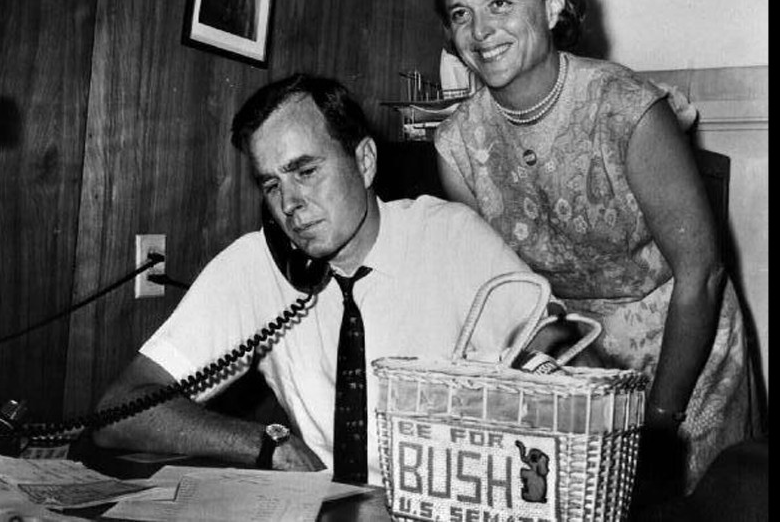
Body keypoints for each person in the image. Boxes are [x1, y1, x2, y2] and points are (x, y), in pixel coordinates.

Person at [428, 0, 751, 505]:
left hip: (685, 358)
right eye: (460, 13)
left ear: (552, 7)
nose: (478, 31)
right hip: (573, 361)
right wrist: (583, 393)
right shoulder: (457, 146)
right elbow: (510, 294)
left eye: (499, 3)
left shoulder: (628, 111)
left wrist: (656, 423)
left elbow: (700, 275)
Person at [93, 74, 541, 486]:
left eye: (306, 172)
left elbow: (572, 362)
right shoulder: (256, 266)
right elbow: (120, 412)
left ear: (364, 161)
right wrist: (267, 444)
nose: (290, 204)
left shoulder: (450, 236)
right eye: (271, 185)